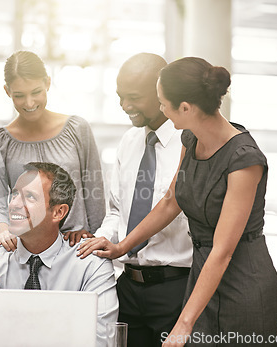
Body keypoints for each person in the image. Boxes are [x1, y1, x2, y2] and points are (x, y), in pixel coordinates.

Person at [79, 57, 277, 346]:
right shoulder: (190, 139)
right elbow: (169, 202)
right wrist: (121, 247)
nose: (161, 110)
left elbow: (223, 251)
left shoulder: (244, 159)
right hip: (202, 281)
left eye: (163, 103)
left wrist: (184, 323)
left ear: (185, 108)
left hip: (243, 285)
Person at [88, 53, 192, 347]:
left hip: (176, 288)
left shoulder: (189, 143)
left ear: (161, 94)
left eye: (133, 97)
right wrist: (102, 238)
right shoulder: (129, 141)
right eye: (120, 97)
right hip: (129, 288)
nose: (125, 106)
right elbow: (117, 211)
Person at [0, 162, 118, 347]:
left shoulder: (91, 264)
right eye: (15, 194)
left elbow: (102, 339)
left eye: (30, 197)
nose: (14, 204)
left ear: (59, 212)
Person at [0, 50, 105, 251]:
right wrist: (5, 233)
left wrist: (94, 236)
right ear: (7, 91)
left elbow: (94, 193)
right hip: (25, 248)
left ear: (48, 82)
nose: (29, 103)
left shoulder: (77, 129)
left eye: (36, 92)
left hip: (76, 248)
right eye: (19, 96)